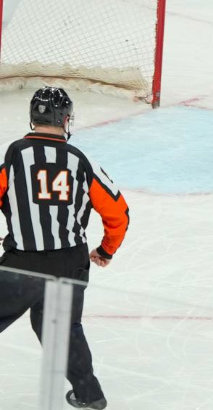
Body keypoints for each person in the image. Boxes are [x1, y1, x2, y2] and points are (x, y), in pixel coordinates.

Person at [0, 87, 129, 409]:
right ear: (66, 119)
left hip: (21, 265)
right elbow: (119, 214)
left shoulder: (14, 155)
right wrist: (106, 250)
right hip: (70, 263)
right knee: (63, 331)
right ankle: (90, 395)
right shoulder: (81, 161)